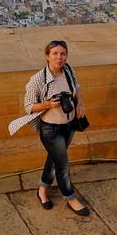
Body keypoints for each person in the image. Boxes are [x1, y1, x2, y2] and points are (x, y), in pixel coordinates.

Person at [23, 40, 89, 216]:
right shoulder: (38, 79)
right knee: (63, 165)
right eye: (55, 54)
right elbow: (28, 106)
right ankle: (70, 198)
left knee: (55, 159)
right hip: (50, 128)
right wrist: (48, 104)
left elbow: (77, 88)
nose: (59, 58)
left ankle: (42, 190)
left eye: (63, 54)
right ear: (47, 56)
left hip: (69, 124)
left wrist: (80, 103)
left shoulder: (68, 70)